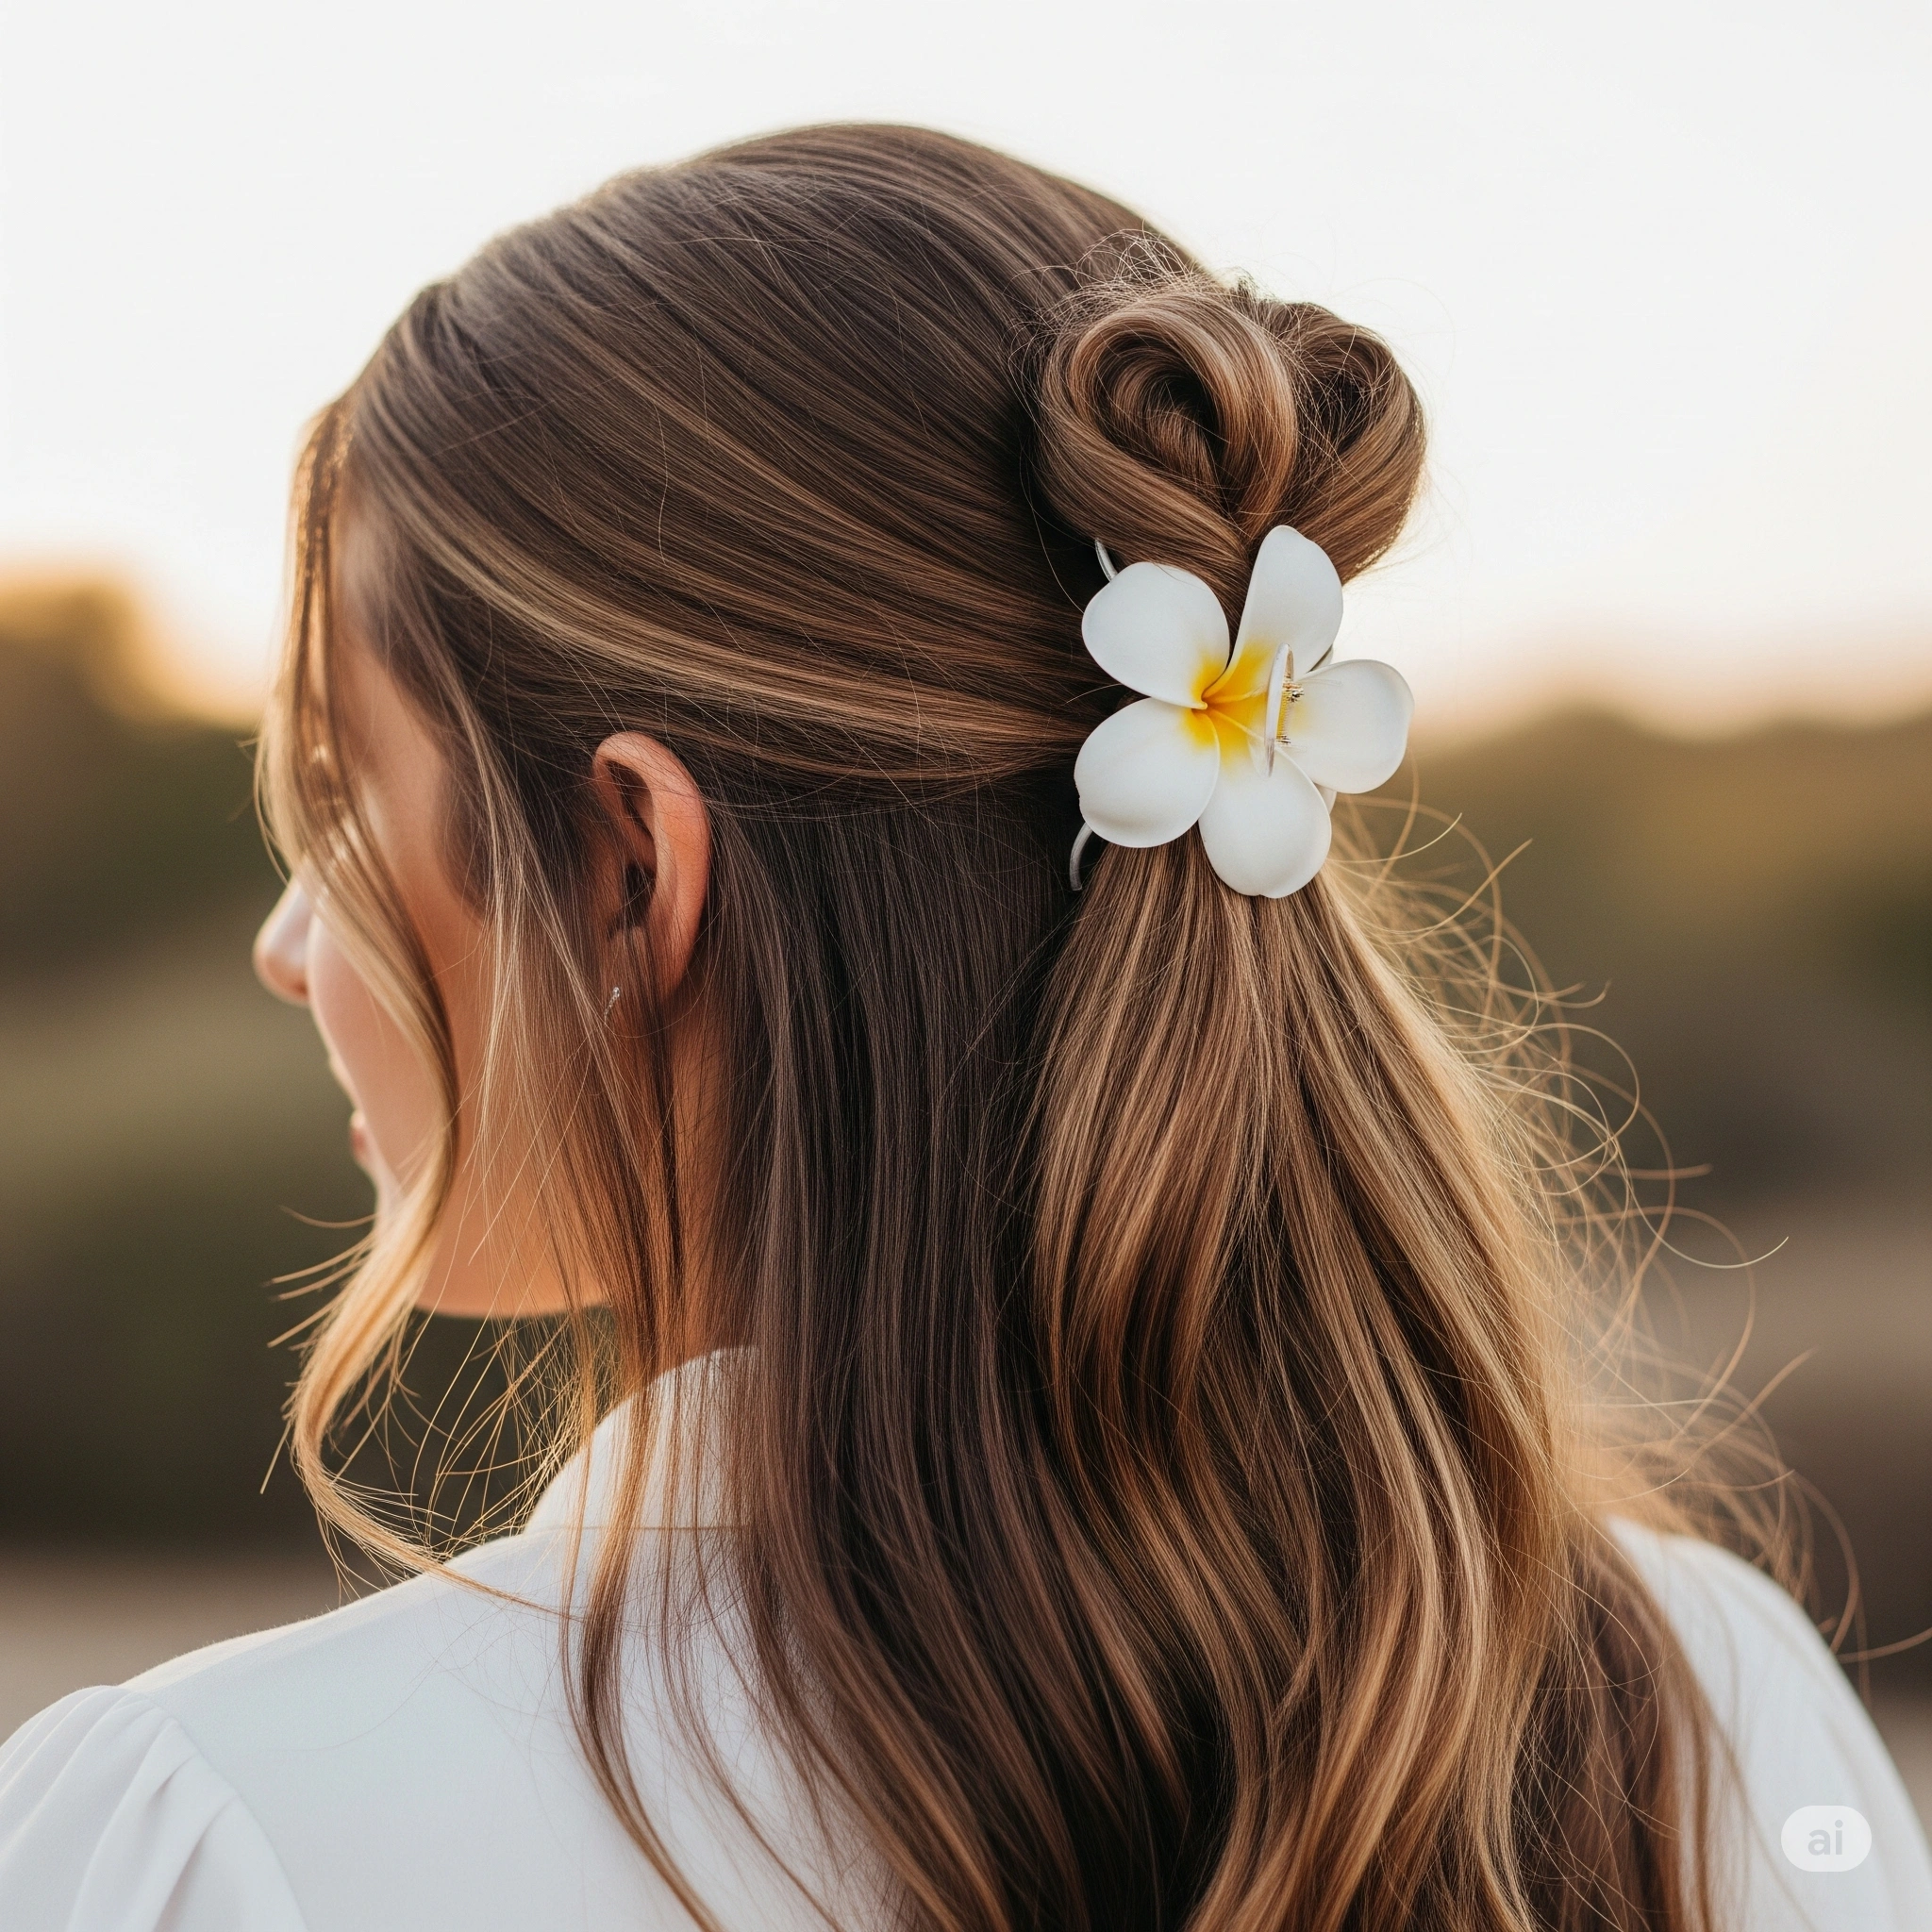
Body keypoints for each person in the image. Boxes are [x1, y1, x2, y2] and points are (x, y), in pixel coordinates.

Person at [0, 124, 1924, 1932]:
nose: (281, 940)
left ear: (630, 875)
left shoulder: (212, 1837)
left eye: (339, 799)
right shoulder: (1713, 1712)